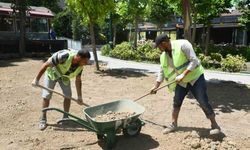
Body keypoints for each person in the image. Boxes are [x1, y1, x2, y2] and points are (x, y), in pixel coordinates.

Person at [150, 34, 221, 135]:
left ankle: (215, 125)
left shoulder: (183, 45)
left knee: (203, 101)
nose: (158, 49)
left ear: (164, 43)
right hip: (182, 81)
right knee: (176, 102)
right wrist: (156, 86)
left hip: (196, 78)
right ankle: (173, 124)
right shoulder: (163, 56)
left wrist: (183, 74)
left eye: (159, 46)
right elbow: (162, 71)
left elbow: (194, 61)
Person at [32, 49, 91, 130]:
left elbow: (78, 81)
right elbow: (46, 65)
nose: (86, 64)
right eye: (84, 61)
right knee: (47, 96)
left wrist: (79, 97)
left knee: (68, 96)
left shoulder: (80, 66)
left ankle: (65, 117)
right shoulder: (64, 56)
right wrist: (36, 79)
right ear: (78, 58)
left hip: (64, 78)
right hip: (52, 74)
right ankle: (43, 119)